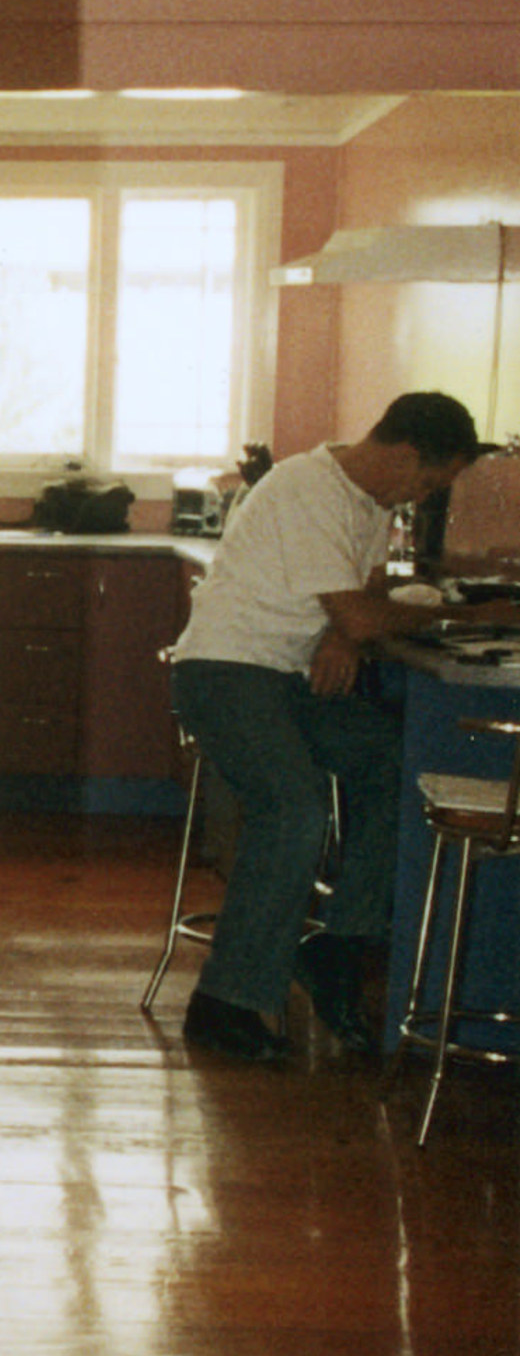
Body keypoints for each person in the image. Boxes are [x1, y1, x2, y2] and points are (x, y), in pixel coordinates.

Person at [169, 391, 492, 1065]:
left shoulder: (368, 502)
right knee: (293, 809)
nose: (422, 496)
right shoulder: (308, 487)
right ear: (404, 454)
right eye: (429, 481)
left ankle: (338, 948)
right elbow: (366, 614)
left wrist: (341, 635)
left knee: (398, 769)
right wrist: (449, 619)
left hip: (283, 676)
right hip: (226, 671)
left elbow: (361, 601)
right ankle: (223, 1002)